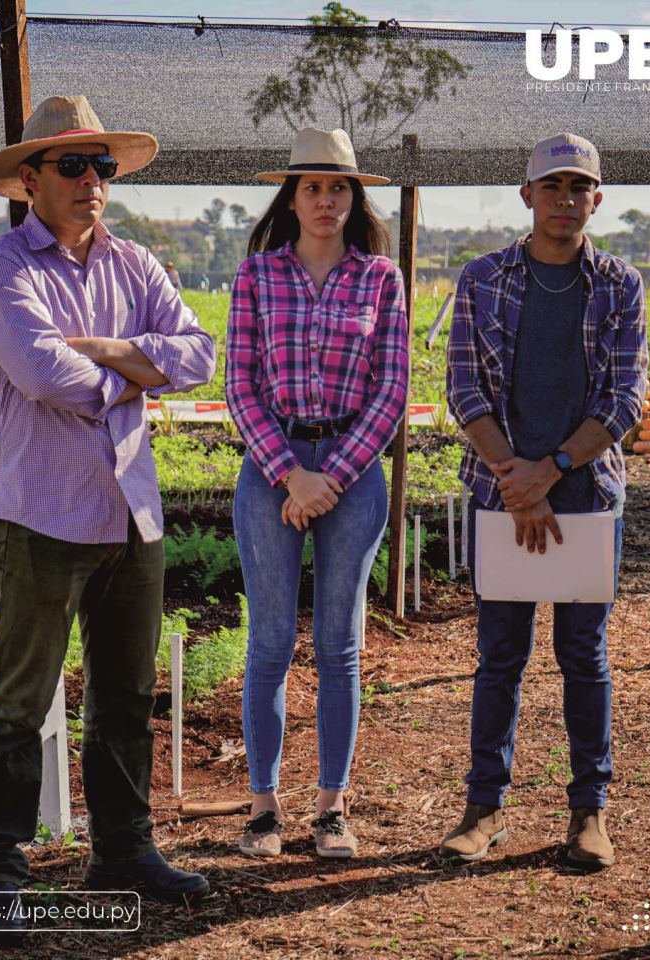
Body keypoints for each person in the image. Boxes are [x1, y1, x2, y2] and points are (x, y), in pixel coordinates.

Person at [0, 95, 216, 942]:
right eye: (72, 165)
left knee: (125, 695)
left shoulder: (136, 264)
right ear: (29, 179)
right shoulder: (3, 270)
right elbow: (44, 378)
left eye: (101, 166)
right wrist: (133, 368)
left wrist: (99, 350)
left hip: (130, 514)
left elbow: (198, 353)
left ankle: (123, 850)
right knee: (20, 697)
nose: (91, 181)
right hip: (41, 518)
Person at [442, 133, 648, 869]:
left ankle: (589, 811)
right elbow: (462, 388)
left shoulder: (620, 284)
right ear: (527, 195)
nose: (566, 199)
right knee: (500, 656)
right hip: (501, 497)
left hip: (588, 497)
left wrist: (552, 469)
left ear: (597, 198)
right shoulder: (484, 278)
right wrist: (514, 478)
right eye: (553, 186)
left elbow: (626, 398)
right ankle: (483, 807)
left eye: (580, 187)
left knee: (583, 656)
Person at [226, 127, 409, 860]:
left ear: (354, 197)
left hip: (353, 474)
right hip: (271, 473)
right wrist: (289, 472)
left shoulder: (380, 279)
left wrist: (330, 475)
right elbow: (239, 385)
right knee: (269, 643)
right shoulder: (257, 276)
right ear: (291, 197)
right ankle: (263, 808)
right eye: (313, 187)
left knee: (340, 646)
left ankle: (331, 810)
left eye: (339, 187)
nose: (327, 199)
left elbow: (391, 388)